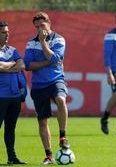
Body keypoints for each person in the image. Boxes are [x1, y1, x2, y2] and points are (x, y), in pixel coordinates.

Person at [24, 12, 70, 165]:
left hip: (56, 80)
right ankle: (49, 156)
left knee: (61, 100)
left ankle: (63, 136)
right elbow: (28, 65)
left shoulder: (59, 39)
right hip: (38, 85)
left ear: (49, 23)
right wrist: (47, 62)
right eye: (36, 27)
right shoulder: (31, 43)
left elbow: (56, 59)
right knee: (42, 121)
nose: (39, 29)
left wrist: (43, 43)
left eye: (42, 25)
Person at [0, 21, 27, 165]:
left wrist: (6, 65)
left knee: (11, 128)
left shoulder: (12, 50)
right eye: (4, 32)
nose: (7, 34)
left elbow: (22, 65)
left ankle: (11, 158)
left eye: (8, 32)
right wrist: (12, 64)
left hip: (15, 96)